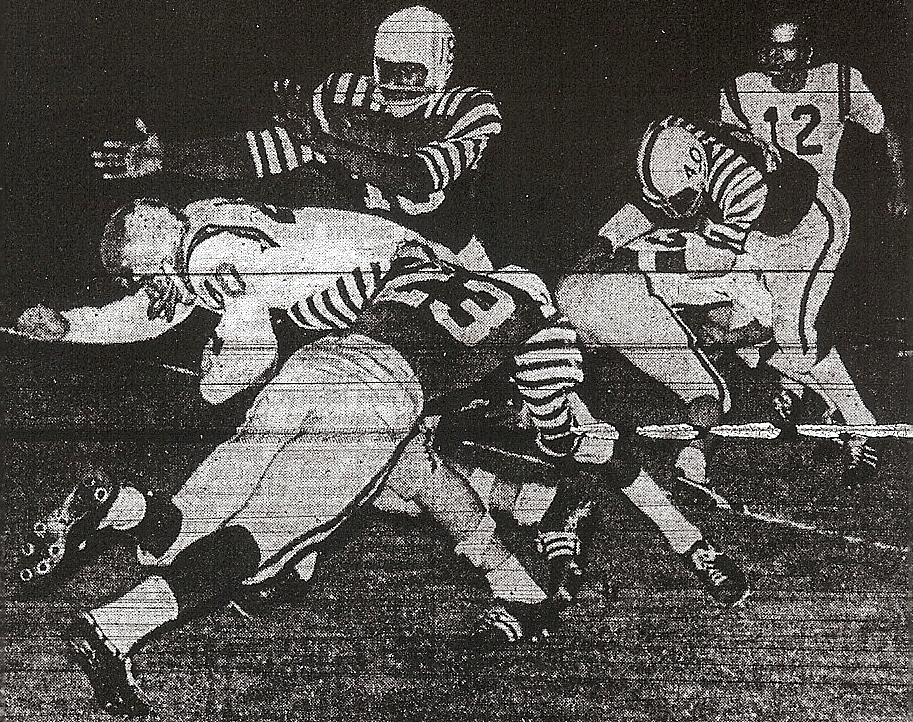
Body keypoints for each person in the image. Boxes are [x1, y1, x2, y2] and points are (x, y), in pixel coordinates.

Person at [15, 197, 599, 715]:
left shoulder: (396, 261)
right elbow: (548, 413)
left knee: (203, 511)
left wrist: (74, 327)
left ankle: (123, 505)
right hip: (383, 397)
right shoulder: (530, 315)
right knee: (265, 537)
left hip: (319, 364)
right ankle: (114, 628)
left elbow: (297, 300)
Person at [90, 5, 502, 260]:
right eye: (386, 71)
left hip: (449, 250)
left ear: (441, 67)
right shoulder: (347, 93)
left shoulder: (470, 108)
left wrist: (320, 140)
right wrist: (167, 157)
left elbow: (418, 178)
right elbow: (264, 152)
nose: (395, 84)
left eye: (410, 73)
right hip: (366, 248)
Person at [719, 14, 907, 454]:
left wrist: (900, 187)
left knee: (793, 325)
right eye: (772, 53)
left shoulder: (839, 80)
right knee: (755, 319)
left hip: (813, 217)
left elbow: (886, 130)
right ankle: (804, 386)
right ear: (760, 54)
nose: (783, 65)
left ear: (808, 51)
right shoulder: (741, 88)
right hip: (757, 217)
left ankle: (860, 428)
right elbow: (730, 153)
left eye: (792, 52)